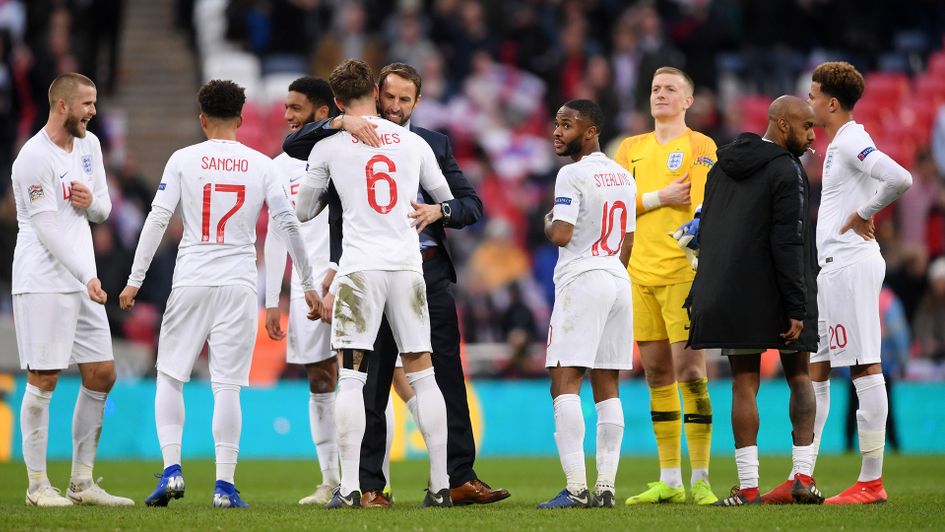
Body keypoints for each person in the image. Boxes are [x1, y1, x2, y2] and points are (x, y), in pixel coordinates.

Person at [284, 62, 505, 508]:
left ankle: (352, 488)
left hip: (366, 270)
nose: (398, 106)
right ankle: (437, 484)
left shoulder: (330, 146)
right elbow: (445, 192)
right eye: (392, 97)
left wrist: (437, 213)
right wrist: (435, 204)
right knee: (424, 379)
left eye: (407, 99)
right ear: (376, 92)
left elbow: (304, 209)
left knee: (353, 378)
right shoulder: (415, 144)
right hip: (407, 272)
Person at [119, 79, 320, 509]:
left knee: (171, 376)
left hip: (191, 277)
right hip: (239, 284)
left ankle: (172, 470)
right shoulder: (261, 164)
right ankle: (224, 487)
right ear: (242, 119)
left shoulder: (183, 159)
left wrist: (135, 280)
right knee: (227, 386)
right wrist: (305, 283)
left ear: (202, 119)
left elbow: (157, 220)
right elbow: (287, 225)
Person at [687, 96, 822, 506]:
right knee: (799, 375)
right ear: (782, 125)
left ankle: (747, 488)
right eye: (807, 127)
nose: (813, 136)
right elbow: (788, 240)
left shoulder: (720, 166)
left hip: (733, 291)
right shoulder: (787, 168)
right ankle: (802, 477)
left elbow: (704, 228)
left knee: (745, 382)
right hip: (779, 290)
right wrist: (796, 305)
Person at [11, 72, 133, 507]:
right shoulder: (31, 158)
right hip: (44, 280)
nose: (94, 112)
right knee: (43, 378)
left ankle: (82, 483)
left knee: (102, 372)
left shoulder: (90, 145)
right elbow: (46, 229)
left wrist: (90, 201)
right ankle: (37, 487)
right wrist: (87, 275)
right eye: (87, 104)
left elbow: (102, 208)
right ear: (62, 105)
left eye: (95, 104)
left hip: (83, 279)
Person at [806, 61, 912, 505]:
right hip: (833, 269)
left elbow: (899, 178)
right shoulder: (836, 144)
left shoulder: (852, 139)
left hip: (851, 265)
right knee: (818, 366)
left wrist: (864, 213)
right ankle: (802, 474)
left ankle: (872, 481)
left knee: (866, 365)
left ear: (832, 103)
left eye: (813, 95)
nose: (808, 102)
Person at [613, 66, 717, 505]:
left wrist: (682, 209)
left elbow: (701, 203)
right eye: (655, 88)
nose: (660, 94)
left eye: (670, 89)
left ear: (687, 101)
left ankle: (702, 478)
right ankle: (670, 479)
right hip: (637, 273)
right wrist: (657, 198)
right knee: (656, 373)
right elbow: (613, 205)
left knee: (691, 372)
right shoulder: (630, 147)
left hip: (682, 273)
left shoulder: (700, 145)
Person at [537, 99, 636, 509]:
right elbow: (628, 239)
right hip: (617, 277)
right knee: (608, 384)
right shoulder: (622, 175)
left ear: (590, 131)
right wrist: (610, 268)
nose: (557, 131)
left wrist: (546, 221)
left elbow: (561, 234)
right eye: (556, 123)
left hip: (583, 278)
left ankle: (576, 488)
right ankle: (606, 487)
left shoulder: (571, 174)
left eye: (566, 124)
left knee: (565, 381)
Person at [262, 76, 341, 506]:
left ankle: (370, 480)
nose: (288, 116)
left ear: (322, 113)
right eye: (286, 109)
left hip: (347, 282)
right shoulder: (277, 167)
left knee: (362, 377)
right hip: (306, 293)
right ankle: (329, 479)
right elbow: (277, 235)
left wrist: (337, 274)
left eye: (296, 108)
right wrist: (274, 300)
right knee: (320, 378)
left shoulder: (344, 157)